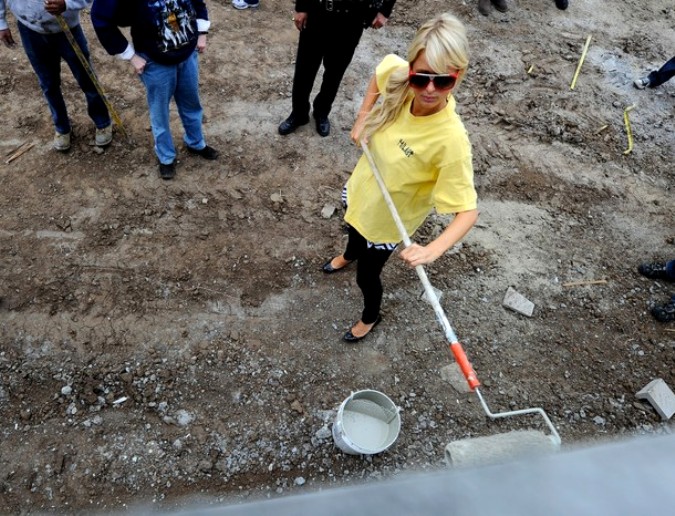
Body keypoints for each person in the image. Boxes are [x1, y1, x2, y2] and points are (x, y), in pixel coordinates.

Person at [322, 12, 478, 342]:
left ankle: (370, 316)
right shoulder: (402, 76)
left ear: (458, 75)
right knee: (352, 228)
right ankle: (350, 253)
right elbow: (380, 75)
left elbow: (468, 211)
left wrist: (431, 250)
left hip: (388, 220)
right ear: (411, 69)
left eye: (443, 80)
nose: (430, 89)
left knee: (368, 276)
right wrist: (363, 116)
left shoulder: (451, 141)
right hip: (365, 189)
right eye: (421, 78)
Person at [91, 0, 218, 180]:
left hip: (187, 54)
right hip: (155, 62)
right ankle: (166, 157)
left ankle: (196, 143)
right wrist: (130, 55)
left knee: (191, 102)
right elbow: (100, 18)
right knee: (160, 112)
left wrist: (202, 31)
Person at [0, 0, 112, 152]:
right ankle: (62, 127)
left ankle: (102, 122)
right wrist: (1, 22)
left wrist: (67, 4)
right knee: (48, 84)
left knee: (87, 79)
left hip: (67, 29)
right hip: (30, 30)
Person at [278, 0, 396, 138]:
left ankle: (322, 112)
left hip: (352, 18)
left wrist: (384, 11)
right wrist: (301, 7)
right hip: (317, 12)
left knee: (335, 73)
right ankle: (299, 113)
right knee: (304, 69)